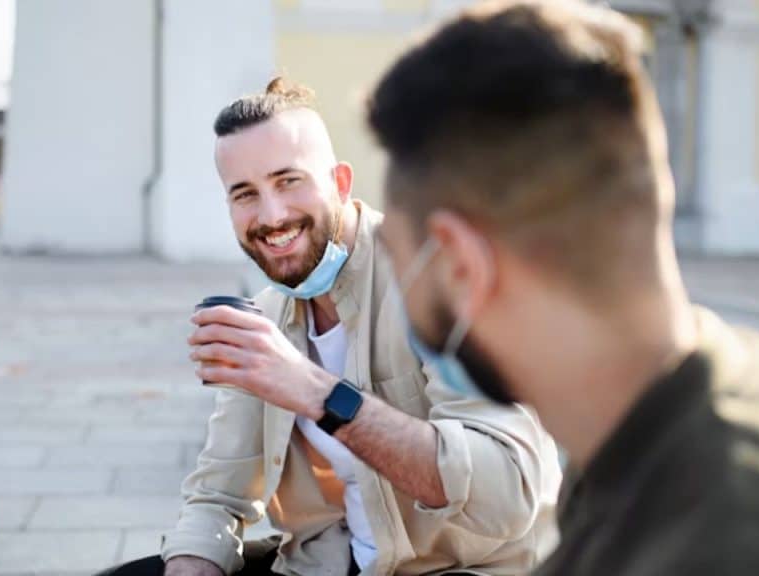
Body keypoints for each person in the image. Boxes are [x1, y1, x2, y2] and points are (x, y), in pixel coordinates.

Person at [365, 1, 759, 575]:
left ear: (462, 267)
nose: (395, 288)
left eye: (396, 258)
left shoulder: (730, 548)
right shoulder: (665, 424)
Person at [100, 78, 561, 576]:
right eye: (245, 194)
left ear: (340, 183)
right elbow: (216, 494)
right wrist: (191, 565)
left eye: (288, 181)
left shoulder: (438, 279)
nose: (271, 216)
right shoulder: (268, 315)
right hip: (327, 562)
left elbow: (511, 494)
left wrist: (316, 392)